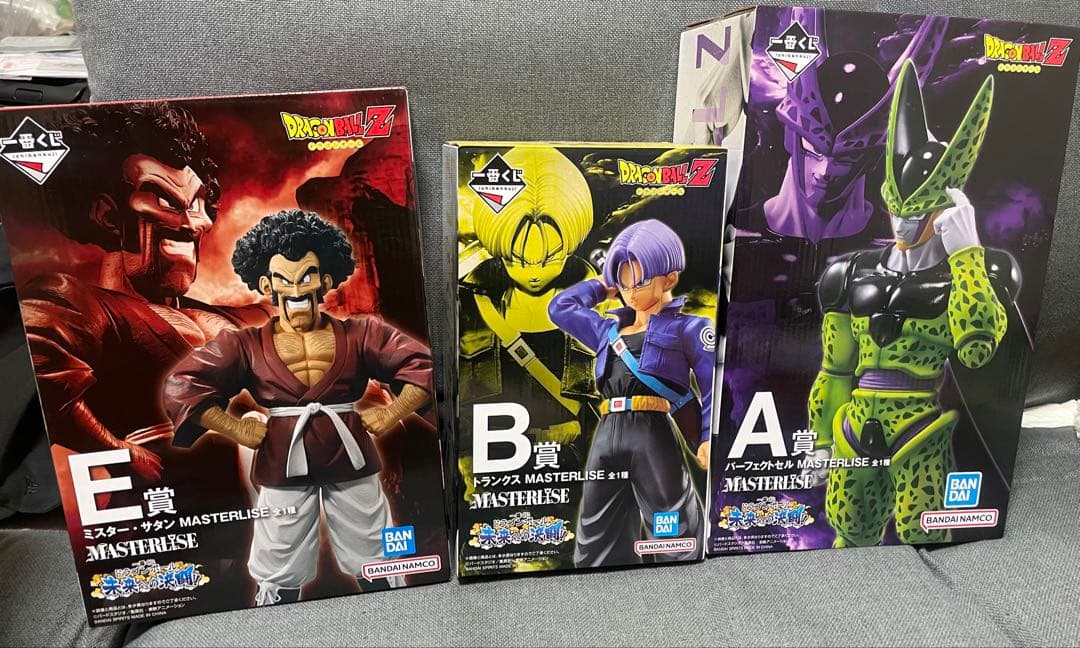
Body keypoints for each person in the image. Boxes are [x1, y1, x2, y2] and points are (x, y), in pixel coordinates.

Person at [164, 209, 434, 603]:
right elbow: (183, 385)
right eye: (283, 278)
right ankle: (274, 613)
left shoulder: (362, 333)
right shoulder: (244, 344)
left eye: (307, 275)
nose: (295, 287)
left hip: (350, 451)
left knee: (374, 544)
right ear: (265, 283)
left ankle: (394, 605)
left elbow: (421, 367)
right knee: (279, 553)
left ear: (326, 279)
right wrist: (235, 428)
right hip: (282, 457)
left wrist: (392, 412)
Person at [808, 62, 1018, 546]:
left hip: (920, 424)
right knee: (847, 531)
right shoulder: (849, 272)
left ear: (945, 209)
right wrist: (820, 440)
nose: (903, 225)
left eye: (917, 212)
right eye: (896, 209)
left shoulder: (978, 272)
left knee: (924, 532)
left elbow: (976, 350)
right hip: (854, 425)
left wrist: (967, 253)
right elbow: (835, 367)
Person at [550, 219, 711, 567]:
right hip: (606, 433)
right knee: (594, 537)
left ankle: (681, 583)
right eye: (623, 283)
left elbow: (712, 382)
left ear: (670, 279)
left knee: (673, 530)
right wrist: (601, 286)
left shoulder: (689, 328)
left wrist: (707, 437)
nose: (631, 292)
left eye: (640, 281)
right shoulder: (607, 330)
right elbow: (560, 308)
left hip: (652, 432)